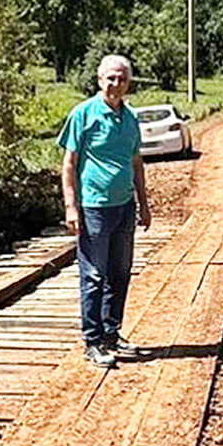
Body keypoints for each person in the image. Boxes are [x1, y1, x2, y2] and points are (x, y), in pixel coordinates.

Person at [57, 54, 153, 369]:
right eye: (110, 78)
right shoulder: (82, 115)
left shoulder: (131, 119)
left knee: (120, 274)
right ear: (100, 80)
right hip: (93, 208)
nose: (116, 84)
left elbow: (136, 163)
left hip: (124, 207)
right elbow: (69, 164)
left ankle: (112, 334)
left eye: (122, 79)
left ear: (129, 84)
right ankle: (93, 342)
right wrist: (71, 207)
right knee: (94, 276)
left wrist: (144, 203)